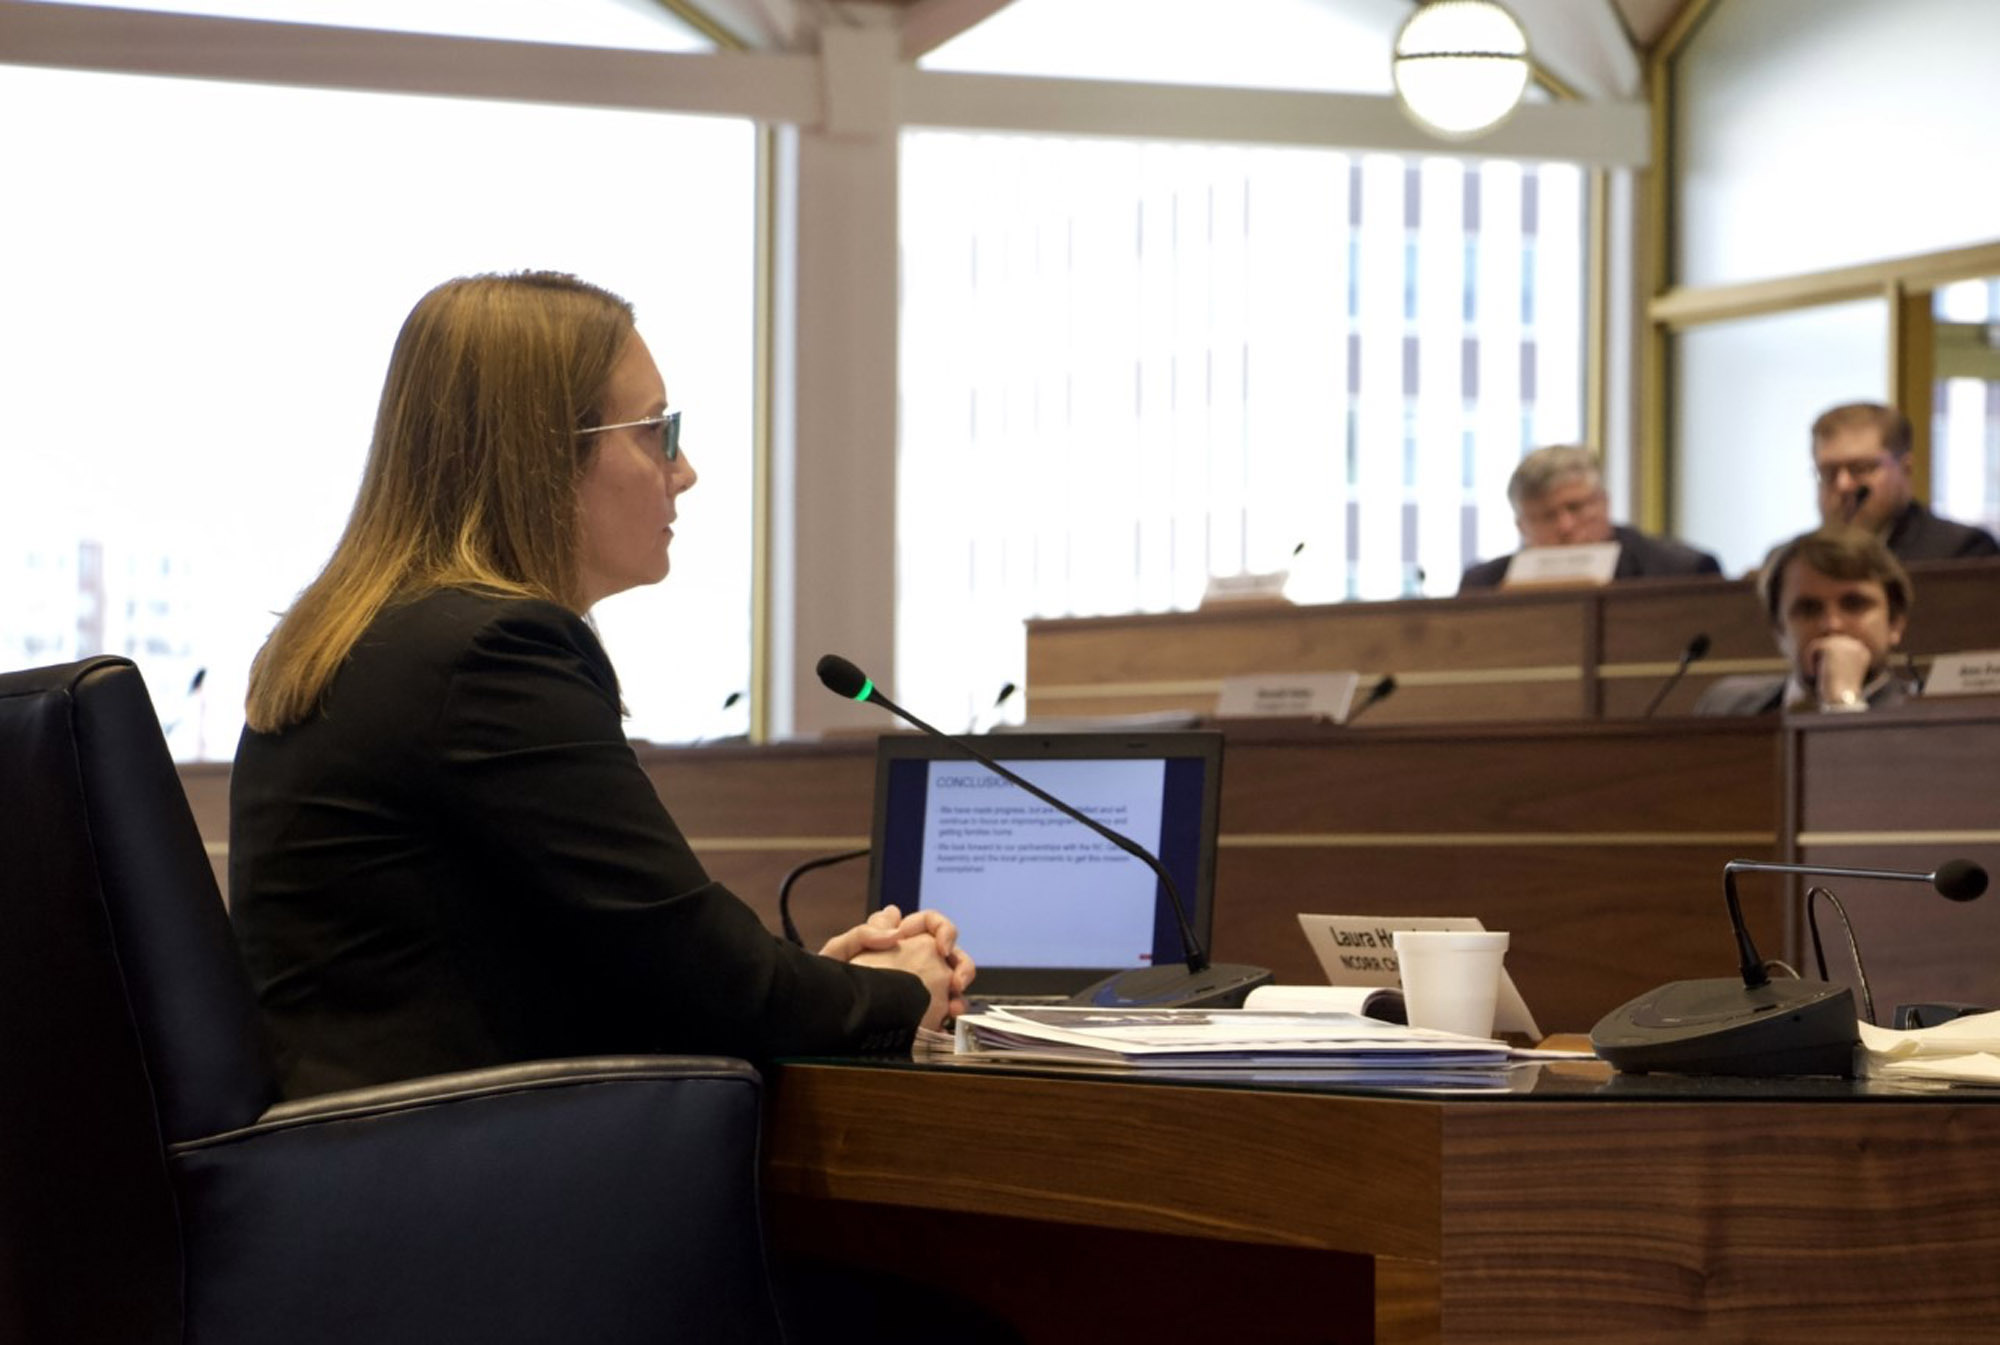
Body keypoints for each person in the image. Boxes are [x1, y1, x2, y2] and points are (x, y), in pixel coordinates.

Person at [230, 271, 976, 1102]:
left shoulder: (372, 641)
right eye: (659, 430)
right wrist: (907, 989)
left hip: (361, 1167)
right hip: (463, 1177)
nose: (684, 469)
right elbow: (717, 988)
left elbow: (648, 966)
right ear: (544, 450)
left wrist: (817, 983)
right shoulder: (490, 655)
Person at [1694, 526, 1918, 716]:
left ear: (1895, 622)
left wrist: (1842, 700)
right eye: (1809, 609)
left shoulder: (1928, 715)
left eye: (1854, 605)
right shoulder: (1724, 706)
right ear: (1779, 629)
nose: (1832, 625)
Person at [1457, 445, 1722, 592]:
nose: (1566, 526)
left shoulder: (1681, 572)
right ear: (1521, 526)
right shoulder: (1481, 586)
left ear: (1603, 502)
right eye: (1547, 516)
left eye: (1575, 507)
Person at [1810, 401, 2000, 561]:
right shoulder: (1795, 563)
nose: (1843, 484)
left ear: (1905, 469)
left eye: (1861, 468)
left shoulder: (1961, 551)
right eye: (1828, 472)